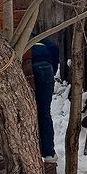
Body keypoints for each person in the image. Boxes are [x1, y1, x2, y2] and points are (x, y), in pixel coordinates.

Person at [31, 35, 59, 163]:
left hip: (31, 67)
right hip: (46, 69)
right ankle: (49, 153)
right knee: (44, 112)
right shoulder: (38, 37)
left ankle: (36, 150)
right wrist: (52, 69)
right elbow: (54, 47)